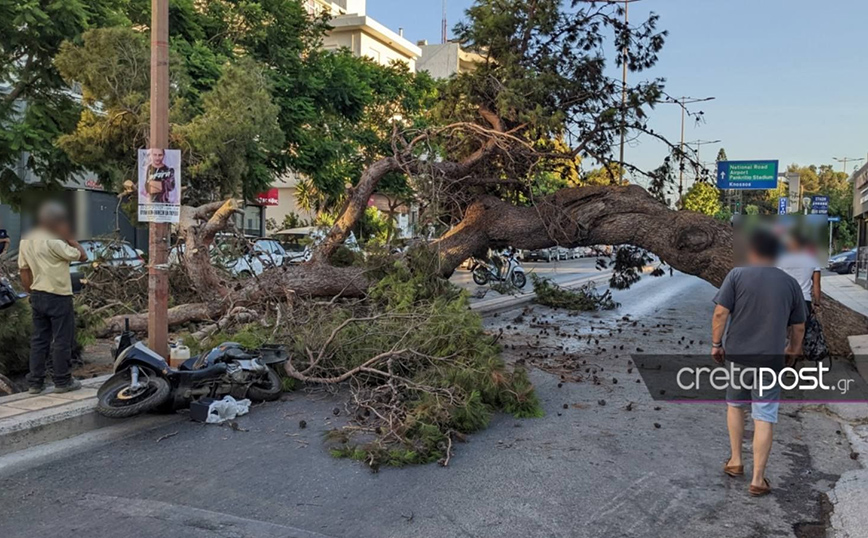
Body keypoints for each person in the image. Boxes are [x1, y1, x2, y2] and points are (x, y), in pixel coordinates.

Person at [711, 229, 806, 497]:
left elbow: (720, 313)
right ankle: (758, 479)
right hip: (771, 361)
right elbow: (799, 327)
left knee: (735, 406)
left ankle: (736, 461)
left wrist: (717, 344)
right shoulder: (790, 284)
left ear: (752, 251)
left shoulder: (737, 275)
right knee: (764, 415)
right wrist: (792, 353)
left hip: (739, 357)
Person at [18, 202, 87, 394]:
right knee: (62, 340)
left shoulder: (26, 240)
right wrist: (70, 238)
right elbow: (82, 256)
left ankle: (35, 383)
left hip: (37, 295)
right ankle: (62, 381)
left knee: (39, 339)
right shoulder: (54, 241)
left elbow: (24, 270)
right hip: (58, 296)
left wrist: (30, 292)